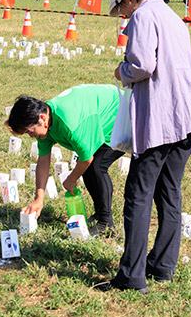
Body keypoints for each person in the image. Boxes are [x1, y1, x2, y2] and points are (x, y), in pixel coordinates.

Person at [103, 0, 191, 294]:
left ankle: (131, 277)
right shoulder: (172, 16)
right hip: (186, 117)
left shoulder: (142, 18)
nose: (121, 13)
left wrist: (121, 71)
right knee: (169, 193)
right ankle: (162, 267)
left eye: (120, 4)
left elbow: (143, 65)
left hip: (160, 121)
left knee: (137, 195)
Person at [8, 84, 124, 235]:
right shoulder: (45, 125)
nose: (31, 136)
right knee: (89, 169)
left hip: (122, 113)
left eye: (30, 131)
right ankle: (100, 213)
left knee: (97, 166)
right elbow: (43, 161)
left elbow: (87, 159)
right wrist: (39, 198)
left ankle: (106, 223)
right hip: (98, 115)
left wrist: (71, 179)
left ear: (42, 118)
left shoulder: (69, 124)